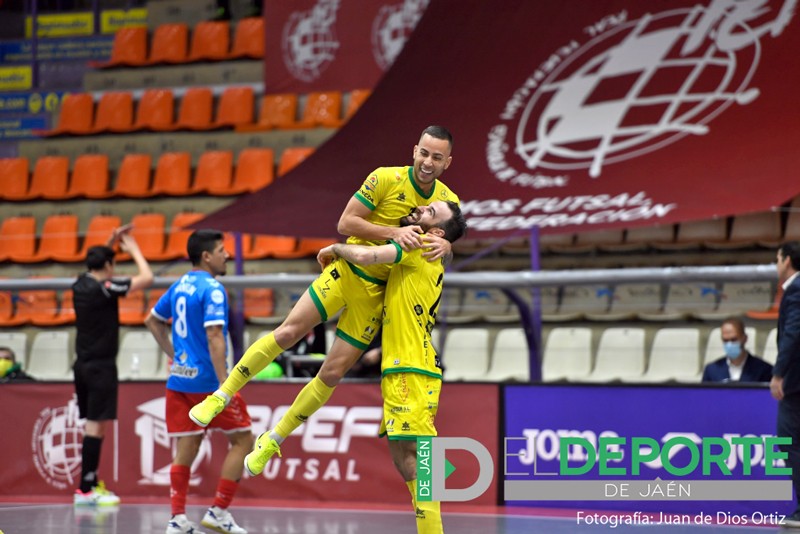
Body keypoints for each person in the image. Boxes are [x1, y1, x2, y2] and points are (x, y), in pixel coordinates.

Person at [189, 126, 459, 476]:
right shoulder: (384, 179)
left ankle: (273, 440)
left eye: (437, 157)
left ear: (447, 162)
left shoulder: (446, 201)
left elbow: (446, 241)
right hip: (348, 271)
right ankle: (220, 396)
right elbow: (347, 221)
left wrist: (451, 248)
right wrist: (394, 232)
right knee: (288, 333)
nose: (428, 162)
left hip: (377, 298)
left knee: (331, 373)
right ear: (414, 151)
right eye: (424, 153)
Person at [317, 200, 466, 534]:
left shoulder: (418, 246)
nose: (423, 209)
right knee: (402, 456)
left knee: (418, 455)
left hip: (411, 366)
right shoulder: (433, 248)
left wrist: (336, 248)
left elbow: (367, 257)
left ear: (437, 232)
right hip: (405, 365)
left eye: (431, 212)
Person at [144, 229, 253, 534]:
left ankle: (177, 519)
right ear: (207, 256)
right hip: (208, 383)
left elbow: (151, 320)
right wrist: (224, 385)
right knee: (244, 440)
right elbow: (215, 335)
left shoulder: (179, 285)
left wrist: (175, 355)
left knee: (187, 447)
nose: (227, 255)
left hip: (179, 381)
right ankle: (218, 511)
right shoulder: (214, 289)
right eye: (221, 250)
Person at [72, 226, 153, 507]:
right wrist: (133, 250)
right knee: (95, 428)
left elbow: (99, 263)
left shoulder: (80, 283)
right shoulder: (105, 289)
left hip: (82, 366)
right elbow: (147, 278)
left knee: (95, 427)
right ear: (108, 265)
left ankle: (90, 484)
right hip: (101, 368)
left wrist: (110, 243)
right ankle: (85, 489)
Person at [771, 242, 800, 527]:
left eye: (777, 259)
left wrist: (779, 374)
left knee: (790, 441)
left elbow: (793, 333)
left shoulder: (797, 289)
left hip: (796, 384)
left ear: (787, 260)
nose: (775, 265)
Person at [701, 317, 773, 383]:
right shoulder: (712, 370)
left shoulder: (764, 369)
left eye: (734, 340)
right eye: (725, 340)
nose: (729, 344)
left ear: (745, 338)